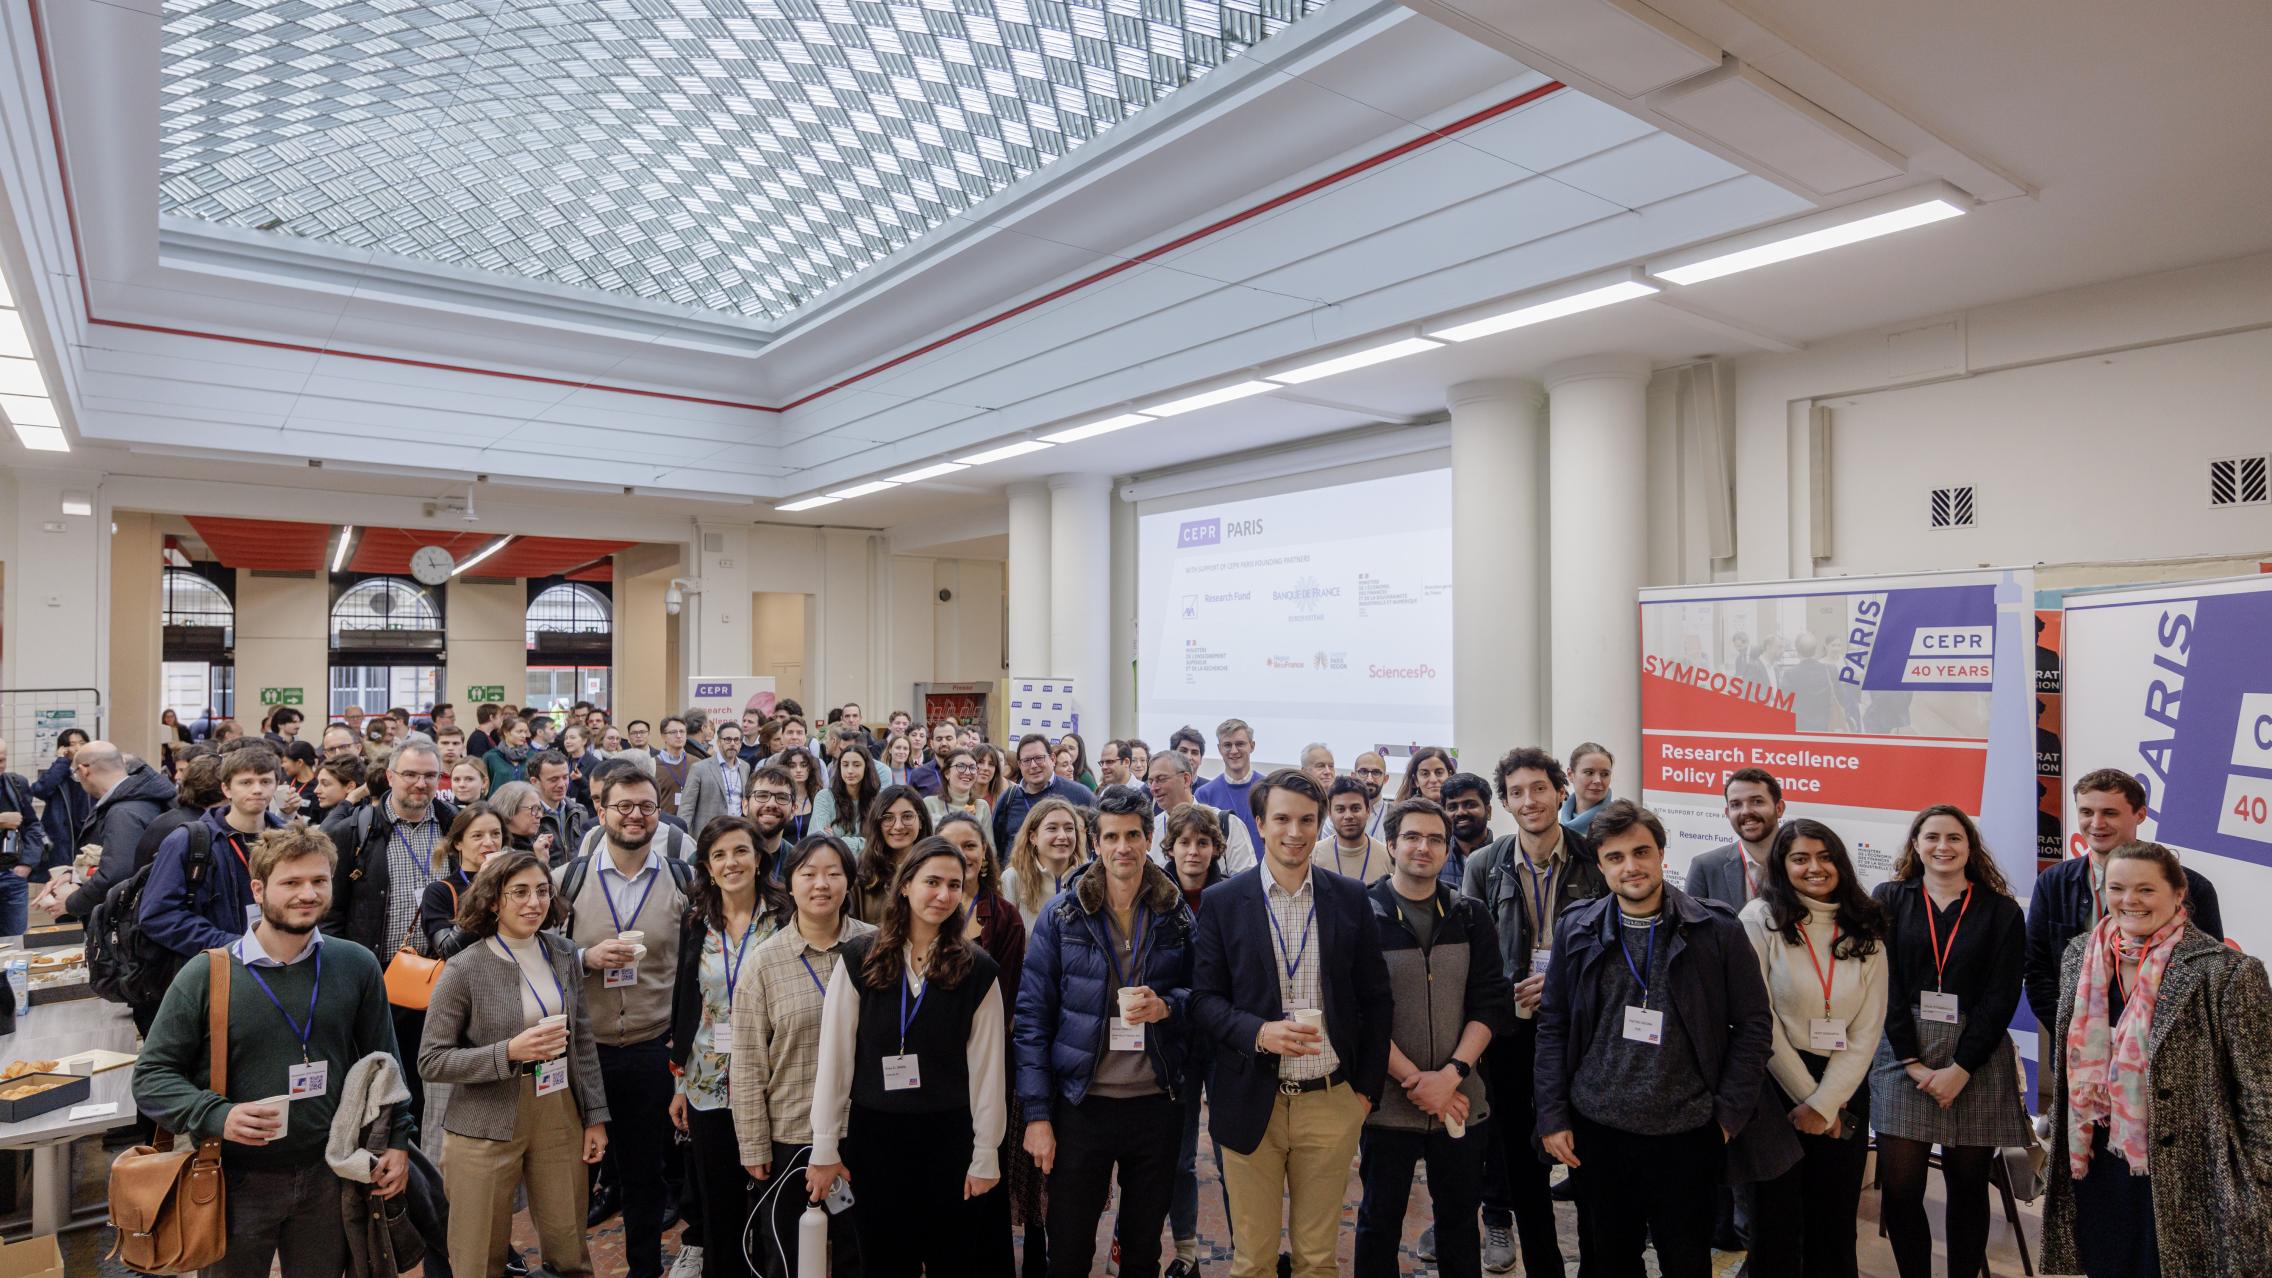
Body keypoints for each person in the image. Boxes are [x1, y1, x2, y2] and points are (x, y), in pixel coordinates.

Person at [131, 821, 413, 1278]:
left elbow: (386, 1063)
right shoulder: (208, 975)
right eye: (292, 883)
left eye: (319, 881)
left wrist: (398, 1140)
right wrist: (217, 1114)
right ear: (259, 889)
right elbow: (151, 1078)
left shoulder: (354, 965)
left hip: (329, 1172)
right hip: (235, 1179)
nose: (308, 894)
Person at [1534, 799, 1775, 1278]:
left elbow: (1753, 1026)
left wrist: (1727, 1114)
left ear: (1662, 854)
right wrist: (1552, 1114)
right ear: (1600, 866)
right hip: (1598, 1131)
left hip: (1687, 1132)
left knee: (1686, 1261)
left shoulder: (1716, 929)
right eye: (1616, 857)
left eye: (1641, 852)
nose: (1631, 867)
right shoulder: (1576, 926)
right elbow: (1553, 1024)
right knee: (1610, 1260)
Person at [1188, 769, 1392, 1278]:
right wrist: (1259, 1033)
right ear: (1260, 824)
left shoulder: (1348, 897)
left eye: (1306, 820)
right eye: (1281, 819)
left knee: (1318, 1258)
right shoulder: (1222, 903)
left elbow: (1377, 998)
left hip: (1330, 1100)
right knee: (1252, 1259)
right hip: (1251, 1098)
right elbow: (1204, 1002)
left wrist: (1362, 1094)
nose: (1294, 832)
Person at [2040, 840, 2272, 1278]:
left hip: (2189, 1170)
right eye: (2117, 888)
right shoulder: (2080, 955)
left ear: (2178, 893)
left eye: (2146, 890)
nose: (2130, 901)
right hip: (2096, 1155)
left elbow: (2261, 1087)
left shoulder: (2227, 972)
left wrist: (2259, 1178)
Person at [805, 837, 1008, 1277]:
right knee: (882, 1262)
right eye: (931, 881)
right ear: (905, 885)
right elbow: (835, 1060)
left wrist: (986, 1151)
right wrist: (824, 1144)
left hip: (950, 1140)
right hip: (875, 1140)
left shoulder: (979, 970)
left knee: (953, 1261)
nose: (943, 894)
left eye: (954, 884)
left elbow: (989, 1072)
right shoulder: (860, 959)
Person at [1015, 786, 1196, 1278]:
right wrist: (1036, 1115)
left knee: (1142, 1252)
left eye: (1133, 835)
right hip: (1081, 1103)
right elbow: (1031, 1018)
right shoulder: (1063, 914)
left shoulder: (1176, 913)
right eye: (1111, 836)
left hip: (1154, 1104)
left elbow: (1202, 997)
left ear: (1150, 838)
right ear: (1094, 842)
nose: (1123, 847)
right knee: (1070, 1249)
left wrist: (1167, 1006)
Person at [419, 847, 611, 1278]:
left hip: (557, 1107)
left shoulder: (562, 952)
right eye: (519, 892)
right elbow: (431, 1061)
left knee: (569, 1248)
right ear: (493, 901)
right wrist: (507, 1052)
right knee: (476, 1258)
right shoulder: (464, 967)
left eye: (542, 891)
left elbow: (581, 1040)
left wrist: (594, 1117)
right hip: (483, 1120)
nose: (534, 903)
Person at [1867, 805, 2032, 1278]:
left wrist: (1961, 1067)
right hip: (1902, 1050)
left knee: (1967, 1185)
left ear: (1970, 847)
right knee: (1900, 1189)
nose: (1943, 846)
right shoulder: (1889, 898)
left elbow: (2002, 996)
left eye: (1955, 837)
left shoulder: (2001, 911)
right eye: (1932, 836)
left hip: (1975, 1056)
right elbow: (1885, 983)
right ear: (1915, 845)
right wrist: (1911, 1061)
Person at [1356, 796, 1514, 1278]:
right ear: (1391, 844)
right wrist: (1416, 1082)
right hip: (1385, 1101)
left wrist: (1451, 1076)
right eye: (1411, 837)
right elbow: (1359, 1015)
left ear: (1448, 851)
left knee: (1459, 1222)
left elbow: (1490, 1003)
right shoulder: (1362, 916)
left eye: (1434, 839)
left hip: (1461, 1099)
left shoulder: (1470, 915)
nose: (1423, 847)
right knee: (1379, 1221)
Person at [1462, 745, 1601, 1277]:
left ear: (1560, 790)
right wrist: (1508, 990)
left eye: (1539, 788)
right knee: (1521, 1162)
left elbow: (1614, 950)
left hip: (1581, 1035)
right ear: (1505, 802)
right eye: (1516, 792)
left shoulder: (1594, 858)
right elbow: (1473, 956)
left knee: (1584, 1158)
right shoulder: (1484, 864)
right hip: (1512, 1034)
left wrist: (1562, 983)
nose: (1529, 800)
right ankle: (1545, 1267)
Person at [556, 766, 692, 1278]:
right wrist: (585, 956)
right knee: (568, 1174)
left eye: (647, 807)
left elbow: (692, 969)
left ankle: (642, 1269)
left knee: (644, 1173)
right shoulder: (565, 880)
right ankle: (568, 1267)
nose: (636, 816)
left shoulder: (683, 881)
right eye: (624, 807)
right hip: (579, 1049)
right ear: (601, 811)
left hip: (650, 1045)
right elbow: (537, 955)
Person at [1738, 819, 1889, 1278]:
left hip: (1844, 1086)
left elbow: (1867, 1028)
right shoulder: (1759, 919)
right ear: (1782, 866)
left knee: (1835, 1221)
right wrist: (1810, 1099)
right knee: (1776, 1224)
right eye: (1800, 858)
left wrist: (1826, 1104)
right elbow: (1758, 1020)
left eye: (1825, 857)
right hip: (1776, 1087)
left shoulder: (1865, 924)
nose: (1815, 868)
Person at [731, 835, 874, 1278]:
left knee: (862, 1251)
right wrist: (754, 1144)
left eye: (834, 873)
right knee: (789, 1258)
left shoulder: (877, 948)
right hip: (792, 1134)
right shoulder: (764, 962)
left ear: (849, 883)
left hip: (864, 1128)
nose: (821, 884)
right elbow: (748, 1063)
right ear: (789, 885)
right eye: (808, 874)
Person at [670, 816, 791, 1278]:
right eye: (718, 855)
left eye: (740, 851)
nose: (731, 862)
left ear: (759, 858)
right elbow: (686, 1003)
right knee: (718, 1200)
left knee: (772, 1198)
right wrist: (679, 1082)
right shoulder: (697, 920)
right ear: (706, 865)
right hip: (709, 1083)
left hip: (771, 1082)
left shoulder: (786, 915)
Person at [322, 738, 457, 1123]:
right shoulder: (354, 833)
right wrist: (346, 971)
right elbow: (333, 913)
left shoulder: (455, 828)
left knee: (432, 1077)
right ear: (390, 776)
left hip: (442, 974)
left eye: (430, 775)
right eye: (411, 774)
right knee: (383, 1078)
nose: (421, 784)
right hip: (380, 975)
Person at [2025, 767, 2224, 1029]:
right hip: (2078, 1054)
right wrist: (2074, 1033)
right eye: (2086, 812)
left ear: (2140, 814)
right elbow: (2037, 971)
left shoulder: (2191, 887)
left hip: (2160, 1054)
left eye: (2110, 813)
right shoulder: (2053, 882)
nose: (2096, 824)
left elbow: (2210, 977)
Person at [937, 810, 1036, 1276]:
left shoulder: (1005, 916)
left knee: (984, 1165)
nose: (961, 854)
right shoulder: (924, 911)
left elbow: (1011, 995)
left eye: (970, 845)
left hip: (987, 1066)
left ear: (984, 855)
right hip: (931, 1069)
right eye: (950, 845)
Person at [139, 745, 286, 962]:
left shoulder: (289, 840)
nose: (257, 790)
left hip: (280, 959)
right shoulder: (189, 840)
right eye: (246, 782)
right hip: (217, 966)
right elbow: (158, 915)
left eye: (265, 781)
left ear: (276, 785)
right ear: (226, 789)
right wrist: (232, 946)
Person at [57, 740, 177, 921]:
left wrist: (71, 903)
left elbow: (117, 874)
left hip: (132, 917)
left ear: (83, 770)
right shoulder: (145, 796)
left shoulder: (123, 811)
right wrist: (74, 874)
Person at [1686, 767, 1783, 908]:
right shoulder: (1706, 867)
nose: (1746, 811)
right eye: (1736, 805)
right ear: (1727, 812)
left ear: (1779, 808)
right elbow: (1689, 926)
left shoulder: (1803, 863)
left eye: (1757, 801)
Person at [1145, 750, 1255, 874]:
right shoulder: (1151, 829)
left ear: (1186, 779)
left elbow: (1246, 882)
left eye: (1161, 779)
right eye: (1150, 781)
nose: (1154, 788)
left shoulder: (1226, 824)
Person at [418, 802, 505, 958]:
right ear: (458, 843)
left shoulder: (511, 882)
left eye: (496, 834)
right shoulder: (439, 891)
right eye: (477, 835)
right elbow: (447, 950)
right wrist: (480, 887)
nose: (489, 842)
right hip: (461, 980)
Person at [993, 734, 1097, 855]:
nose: (1033, 765)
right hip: (1018, 872)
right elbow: (997, 846)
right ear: (1020, 765)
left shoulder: (1080, 795)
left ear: (1052, 759)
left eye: (1039, 758)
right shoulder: (1008, 799)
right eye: (1026, 760)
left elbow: (1098, 837)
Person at [852, 785, 934, 922]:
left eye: (907, 816)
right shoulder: (860, 870)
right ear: (877, 823)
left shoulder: (935, 867)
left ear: (921, 821)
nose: (898, 826)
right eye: (888, 818)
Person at [1002, 796, 1088, 920]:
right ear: (1033, 837)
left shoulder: (1088, 877)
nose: (1063, 836)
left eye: (1069, 828)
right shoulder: (1012, 878)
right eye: (1052, 828)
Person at [0, 740, 49, 936]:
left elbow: (32, 825)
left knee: (16, 942)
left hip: (13, 875)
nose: (0, 765)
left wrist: (27, 864)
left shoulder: (15, 783)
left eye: (2, 759)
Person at [1192, 719, 1261, 851]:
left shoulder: (1269, 789)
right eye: (1227, 745)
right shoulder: (1204, 794)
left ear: (1252, 746)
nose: (1234, 751)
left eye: (1240, 744)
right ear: (1219, 749)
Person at [31, 728, 90, 870]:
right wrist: (61, 762)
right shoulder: (60, 772)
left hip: (87, 833)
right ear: (63, 748)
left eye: (82, 743)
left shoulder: (94, 769)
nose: (78, 748)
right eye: (72, 744)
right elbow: (40, 790)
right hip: (62, 839)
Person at [680, 724, 752, 839]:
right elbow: (687, 807)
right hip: (708, 835)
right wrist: (684, 838)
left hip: (738, 833)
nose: (732, 743)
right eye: (728, 739)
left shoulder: (745, 767)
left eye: (736, 740)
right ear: (718, 742)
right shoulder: (699, 768)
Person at [812, 744, 879, 856]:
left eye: (856, 765)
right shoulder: (825, 797)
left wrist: (837, 840)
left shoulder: (877, 800)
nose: (850, 771)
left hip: (867, 867)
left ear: (866, 768)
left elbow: (879, 844)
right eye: (845, 765)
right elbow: (818, 840)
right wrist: (862, 843)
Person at [530, 749, 594, 866]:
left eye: (565, 777)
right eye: (553, 779)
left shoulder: (580, 811)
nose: (561, 784)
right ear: (534, 781)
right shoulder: (528, 818)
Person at [1319, 775, 1386, 884]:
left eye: (1355, 808)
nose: (1348, 816)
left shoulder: (1387, 858)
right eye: (1340, 809)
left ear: (1368, 811)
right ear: (1330, 814)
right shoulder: (1313, 856)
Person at [925, 748, 995, 849]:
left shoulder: (981, 806)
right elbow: (923, 847)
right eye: (961, 766)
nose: (967, 772)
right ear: (947, 773)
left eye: (972, 767)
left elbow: (990, 849)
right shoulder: (930, 804)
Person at [1436, 772, 1493, 891]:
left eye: (1470, 805)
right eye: (1452, 807)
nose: (1460, 812)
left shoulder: (1504, 858)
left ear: (1488, 811)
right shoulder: (1435, 859)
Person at [1559, 743, 1615, 835]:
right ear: (1570, 775)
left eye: (1604, 774)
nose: (1598, 780)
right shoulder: (1555, 822)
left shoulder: (1622, 822)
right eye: (1589, 772)